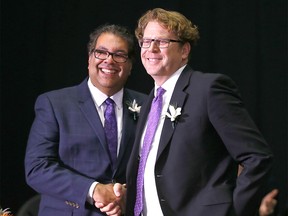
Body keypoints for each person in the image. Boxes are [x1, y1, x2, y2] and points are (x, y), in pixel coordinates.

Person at [125, 8, 274, 216]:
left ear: (184, 50)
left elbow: (257, 156)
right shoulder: (151, 99)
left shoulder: (208, 89)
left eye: (163, 41)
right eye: (146, 41)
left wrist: (236, 211)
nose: (152, 48)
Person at [25, 24, 147, 216]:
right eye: (101, 52)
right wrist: (93, 190)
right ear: (89, 58)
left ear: (130, 65)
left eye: (119, 55)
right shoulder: (55, 104)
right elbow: (37, 168)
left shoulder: (147, 105)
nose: (109, 60)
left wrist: (128, 195)